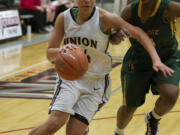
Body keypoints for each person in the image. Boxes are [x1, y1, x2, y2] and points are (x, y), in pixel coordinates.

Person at [28, 0, 174, 135]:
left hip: (95, 82)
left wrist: (156, 59)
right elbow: (49, 53)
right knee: (55, 122)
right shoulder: (63, 18)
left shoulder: (105, 18)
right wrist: (62, 51)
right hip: (70, 79)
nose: (87, 1)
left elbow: (139, 33)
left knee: (73, 132)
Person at [110, 0, 180, 135]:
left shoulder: (170, 8)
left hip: (167, 58)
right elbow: (113, 37)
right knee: (129, 107)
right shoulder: (129, 11)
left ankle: (153, 119)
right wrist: (117, 36)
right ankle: (118, 132)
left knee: (170, 95)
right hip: (138, 60)